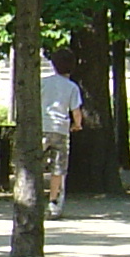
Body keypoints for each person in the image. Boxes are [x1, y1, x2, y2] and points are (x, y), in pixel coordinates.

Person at [39, 50, 84, 215]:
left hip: (42, 128)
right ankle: (53, 202)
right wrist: (77, 125)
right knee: (58, 168)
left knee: (35, 163)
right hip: (61, 130)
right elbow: (76, 111)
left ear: (53, 64)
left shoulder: (43, 83)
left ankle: (32, 197)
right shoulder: (72, 87)